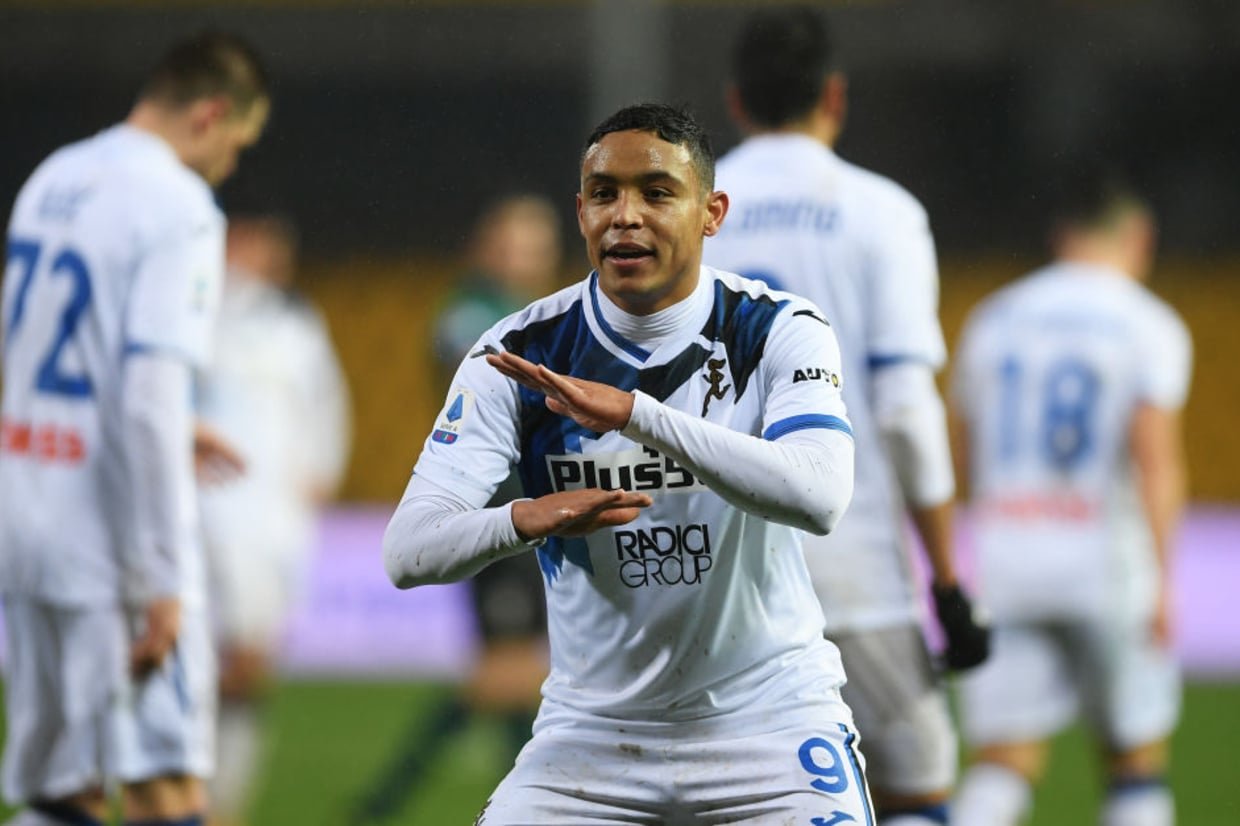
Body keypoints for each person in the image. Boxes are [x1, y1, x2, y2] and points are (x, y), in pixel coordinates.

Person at [383, 102, 873, 823]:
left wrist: (638, 415)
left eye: (657, 192)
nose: (626, 216)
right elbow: (407, 552)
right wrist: (524, 519)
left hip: (769, 726)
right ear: (581, 213)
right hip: (591, 739)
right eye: (604, 194)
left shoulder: (774, 330)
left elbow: (820, 495)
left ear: (711, 214)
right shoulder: (516, 354)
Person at [704, 8, 989, 825]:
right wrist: (946, 579)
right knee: (915, 789)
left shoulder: (687, 210)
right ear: (834, 95)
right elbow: (904, 411)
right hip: (854, 563)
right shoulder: (880, 212)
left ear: (735, 100)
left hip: (720, 574)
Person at [0, 32, 269, 826]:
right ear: (210, 115)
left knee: (64, 792)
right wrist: (161, 574)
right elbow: (149, 392)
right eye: (237, 144)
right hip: (111, 538)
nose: (230, 165)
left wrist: (171, 423)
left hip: (28, 516)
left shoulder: (55, 176)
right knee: (166, 787)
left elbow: (38, 356)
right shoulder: (177, 206)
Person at [949, 173, 1191, 826]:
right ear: (1139, 237)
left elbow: (961, 455)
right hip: (1106, 563)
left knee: (1002, 761)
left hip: (1009, 559)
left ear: (1062, 236)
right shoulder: (1147, 323)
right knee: (1134, 761)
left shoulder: (994, 317)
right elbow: (1155, 464)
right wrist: (1165, 581)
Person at [351, 195, 559, 822]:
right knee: (506, 670)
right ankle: (385, 800)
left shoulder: (532, 316)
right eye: (515, 244)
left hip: (526, 508)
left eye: (537, 245)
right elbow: (482, 392)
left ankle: (525, 798)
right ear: (486, 248)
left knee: (517, 667)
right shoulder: (472, 315)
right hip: (493, 512)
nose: (527, 257)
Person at [196, 215, 351, 826]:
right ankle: (196, 795)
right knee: (209, 660)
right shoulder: (201, 313)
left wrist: (323, 467)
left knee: (251, 664)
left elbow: (326, 401)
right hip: (206, 513)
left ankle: (223, 800)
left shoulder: (294, 325)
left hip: (275, 521)